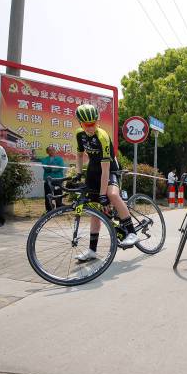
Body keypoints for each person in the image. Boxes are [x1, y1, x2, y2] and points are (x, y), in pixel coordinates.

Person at [73, 104, 138, 261]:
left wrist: (103, 195)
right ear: (80, 123)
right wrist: (78, 173)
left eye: (93, 123)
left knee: (112, 195)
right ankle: (92, 250)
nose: (90, 127)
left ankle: (131, 232)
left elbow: (106, 169)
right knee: (95, 210)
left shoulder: (102, 136)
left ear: (97, 121)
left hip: (109, 169)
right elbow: (80, 155)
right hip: (93, 170)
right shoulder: (79, 134)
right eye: (87, 124)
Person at [40, 146, 65, 211]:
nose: (52, 151)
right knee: (48, 194)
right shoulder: (44, 159)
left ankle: (59, 208)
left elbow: (61, 167)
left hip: (58, 179)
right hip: (48, 180)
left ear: (55, 151)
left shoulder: (60, 159)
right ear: (47, 152)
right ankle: (49, 209)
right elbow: (46, 168)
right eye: (50, 150)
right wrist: (54, 168)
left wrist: (51, 168)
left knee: (58, 194)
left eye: (53, 150)